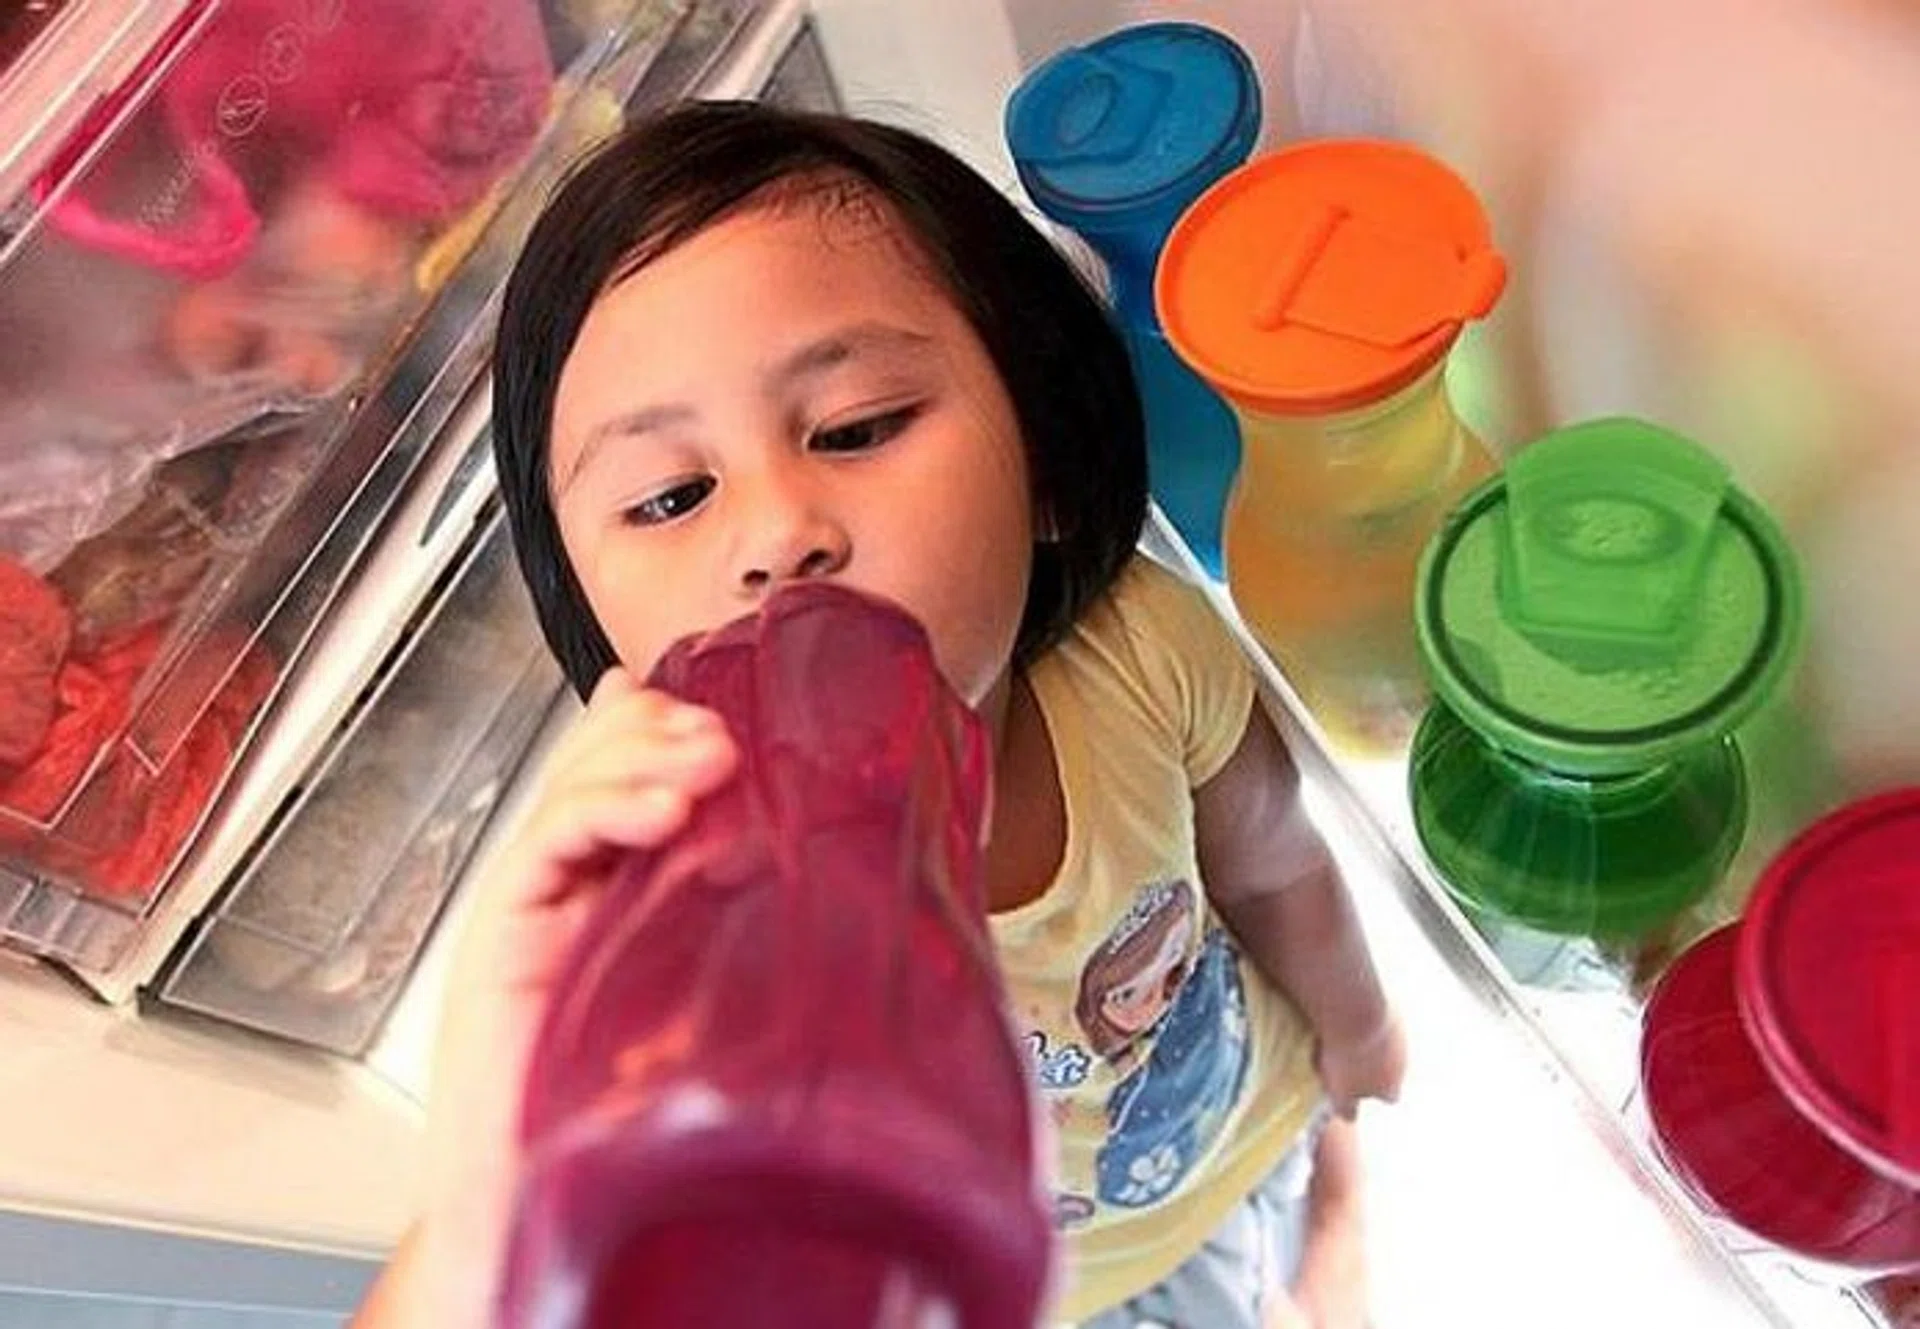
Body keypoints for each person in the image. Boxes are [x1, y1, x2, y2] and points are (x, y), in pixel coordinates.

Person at [352, 100, 1405, 1329]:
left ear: (1047, 463)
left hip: (1237, 1099)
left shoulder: (1145, 653)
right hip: (1050, 1285)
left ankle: (1332, 1191)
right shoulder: (680, 872)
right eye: (671, 495)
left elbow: (1276, 868)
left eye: (855, 428)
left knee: (1300, 1151)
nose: (778, 532)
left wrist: (1361, 1031)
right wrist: (501, 1163)